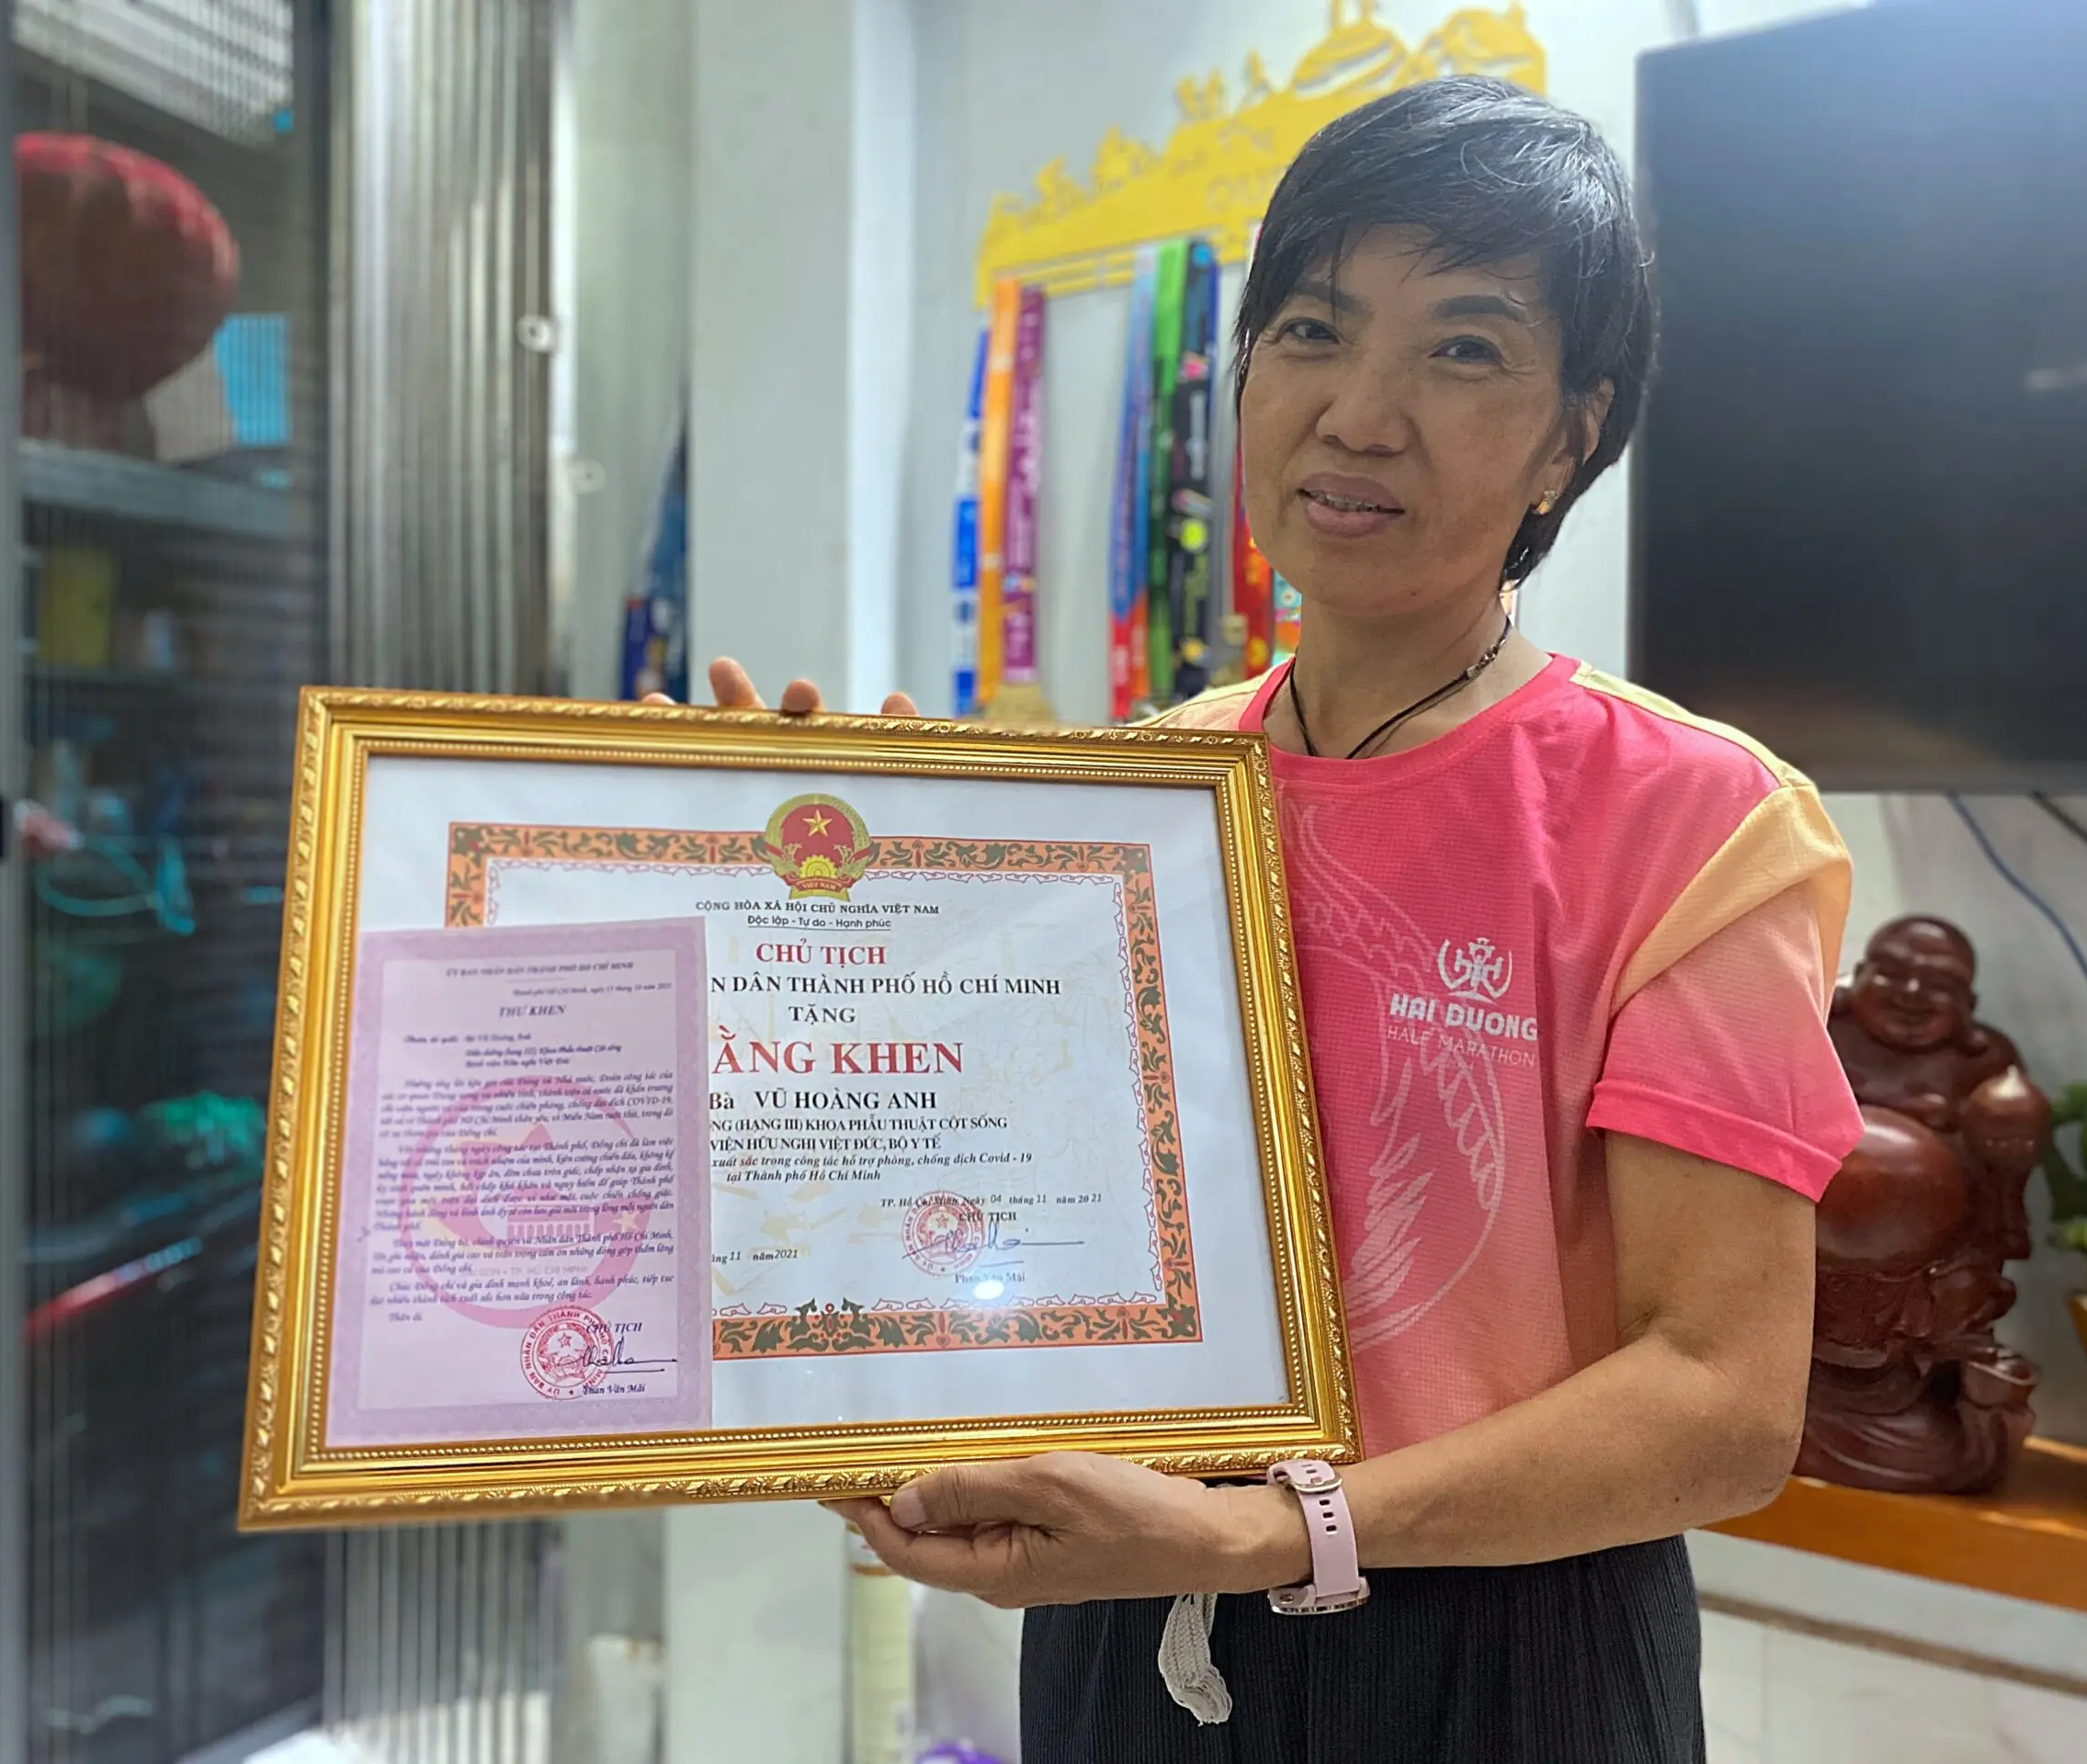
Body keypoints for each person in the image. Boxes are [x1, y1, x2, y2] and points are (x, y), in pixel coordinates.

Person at [660, 76, 1864, 1764]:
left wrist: (1271, 1532)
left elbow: (1723, 1406)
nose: (1359, 414)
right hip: (1122, 1613)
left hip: (1503, 1646)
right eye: (1312, 330)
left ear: (1571, 435)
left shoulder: (1695, 824)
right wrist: (777, 909)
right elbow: (970, 1206)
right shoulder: (1125, 802)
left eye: (1463, 350)